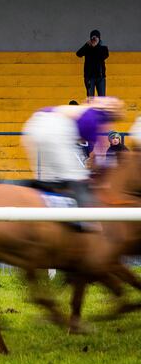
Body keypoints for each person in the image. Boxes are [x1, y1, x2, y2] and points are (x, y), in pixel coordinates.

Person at [22, 97, 124, 229]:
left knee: (47, 178)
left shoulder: (85, 110)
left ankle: (30, 201)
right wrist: (99, 177)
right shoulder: (96, 117)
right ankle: (85, 221)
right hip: (57, 128)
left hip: (34, 123)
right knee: (76, 176)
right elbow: (99, 156)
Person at [76, 29, 109, 99]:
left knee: (102, 99)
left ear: (99, 38)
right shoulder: (87, 48)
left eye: (96, 38)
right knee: (90, 99)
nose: (94, 39)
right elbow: (78, 54)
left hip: (101, 77)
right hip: (89, 78)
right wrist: (86, 45)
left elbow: (104, 56)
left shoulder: (103, 48)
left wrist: (96, 46)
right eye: (93, 38)